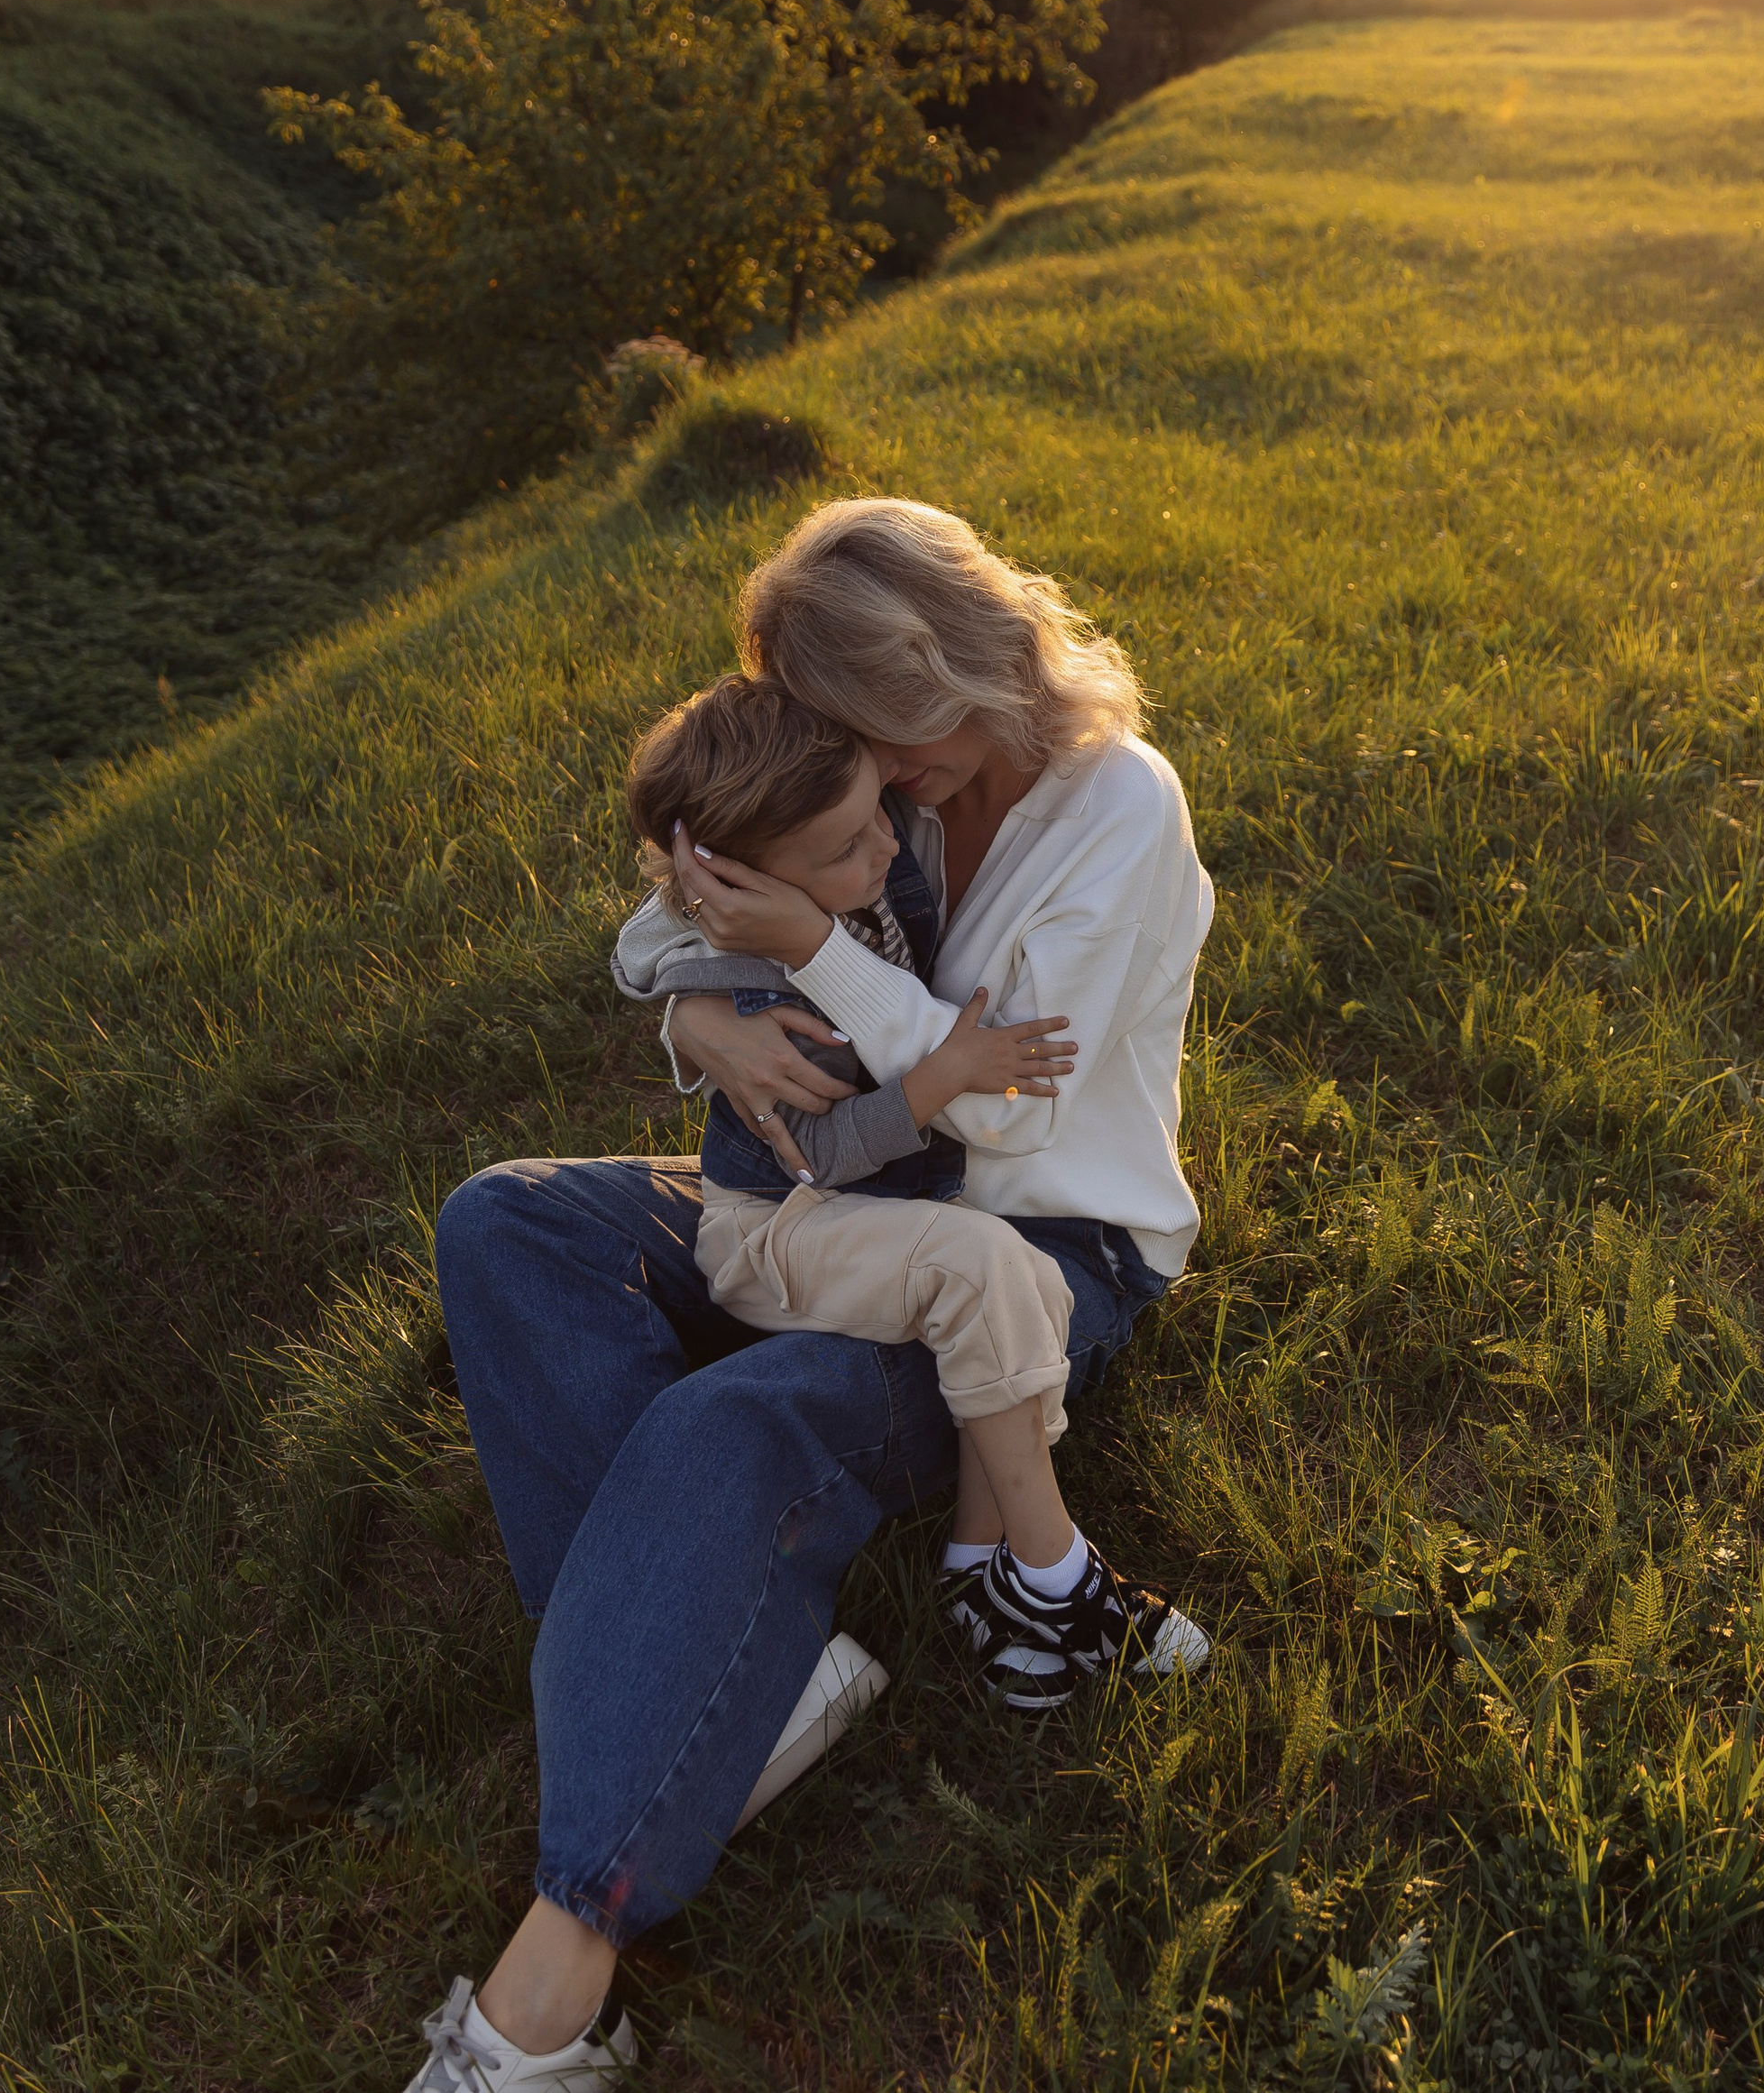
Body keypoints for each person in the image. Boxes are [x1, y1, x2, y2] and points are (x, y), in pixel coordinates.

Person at [408, 498, 1215, 2092]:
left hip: (1038, 1252)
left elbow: (1006, 1113)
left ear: (962, 670)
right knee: (506, 1225)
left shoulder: (1116, 812)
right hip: (837, 1197)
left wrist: (817, 959)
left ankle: (553, 1980)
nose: (868, 782)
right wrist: (687, 1020)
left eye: (880, 740)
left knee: (736, 1419)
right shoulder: (884, 781)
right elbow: (689, 898)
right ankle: (756, 1686)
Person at [613, 671, 1207, 1703]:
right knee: (979, 1262)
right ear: (747, 884)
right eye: (849, 847)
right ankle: (1057, 1572)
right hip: (783, 1225)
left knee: (996, 1264)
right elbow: (823, 1154)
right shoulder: (751, 970)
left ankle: (981, 1575)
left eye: (878, 818)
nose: (888, 845)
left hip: (883, 1208)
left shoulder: (857, 842)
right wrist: (942, 1074)